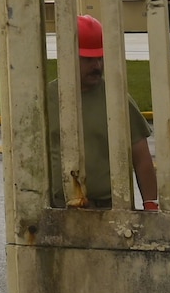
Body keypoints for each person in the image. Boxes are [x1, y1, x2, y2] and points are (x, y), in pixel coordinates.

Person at [48, 15, 159, 210]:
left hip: (110, 208)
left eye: (100, 58)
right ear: (67, 56)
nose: (97, 66)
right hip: (58, 209)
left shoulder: (117, 100)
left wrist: (150, 204)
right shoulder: (47, 99)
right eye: (88, 59)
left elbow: (141, 158)